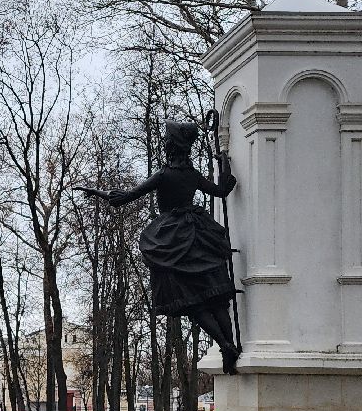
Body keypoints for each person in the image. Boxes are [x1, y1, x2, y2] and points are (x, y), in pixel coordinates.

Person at [80, 121, 241, 374]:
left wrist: (96, 191)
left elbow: (123, 198)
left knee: (194, 303)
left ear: (169, 147)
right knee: (217, 299)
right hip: (200, 235)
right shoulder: (191, 174)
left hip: (173, 242)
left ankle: (224, 345)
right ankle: (230, 346)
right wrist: (224, 160)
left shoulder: (163, 175)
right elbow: (221, 190)